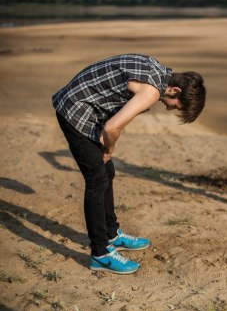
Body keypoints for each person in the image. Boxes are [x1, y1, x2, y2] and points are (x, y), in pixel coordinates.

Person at [52, 54, 206, 274]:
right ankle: (100, 254)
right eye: (177, 106)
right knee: (96, 179)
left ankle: (111, 234)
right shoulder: (152, 91)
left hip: (87, 105)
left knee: (108, 172)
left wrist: (107, 151)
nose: (171, 109)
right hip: (75, 110)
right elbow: (111, 128)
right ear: (175, 90)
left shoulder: (158, 70)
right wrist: (109, 149)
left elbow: (116, 114)